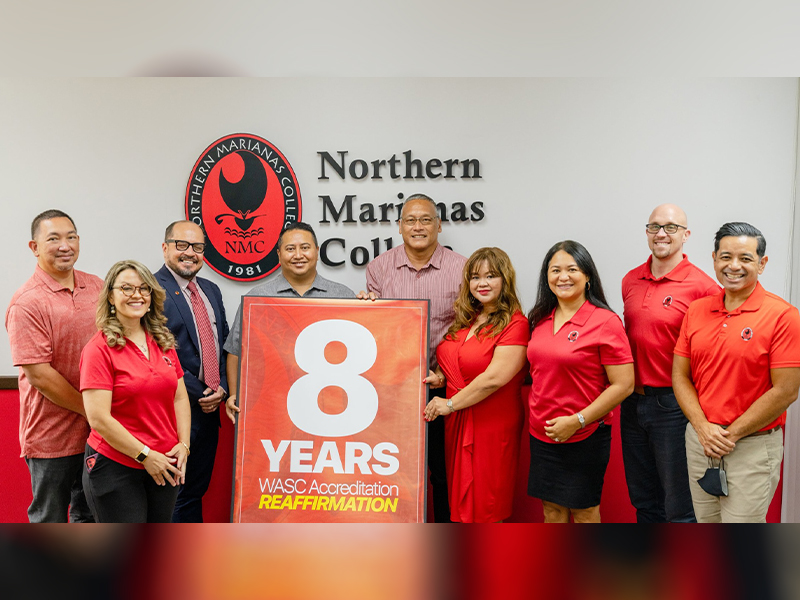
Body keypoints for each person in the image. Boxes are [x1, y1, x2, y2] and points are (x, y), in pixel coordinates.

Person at [673, 222, 800, 522]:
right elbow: (680, 376)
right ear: (714, 259)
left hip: (750, 447)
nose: (734, 266)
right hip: (700, 442)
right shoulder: (697, 310)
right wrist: (703, 428)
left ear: (762, 263)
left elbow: (786, 390)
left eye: (745, 258)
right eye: (726, 256)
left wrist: (731, 434)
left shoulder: (783, 316)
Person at [359, 193, 466, 523]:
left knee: (444, 475)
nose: (417, 227)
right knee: (396, 473)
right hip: (393, 390)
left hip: (445, 388)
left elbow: (471, 328)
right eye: (410, 220)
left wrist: (445, 374)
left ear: (439, 225)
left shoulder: (462, 268)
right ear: (400, 227)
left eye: (425, 220)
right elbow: (375, 329)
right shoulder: (379, 268)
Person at [620, 204, 720, 523]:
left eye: (671, 227)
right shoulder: (630, 279)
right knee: (644, 501)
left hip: (673, 408)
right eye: (655, 227)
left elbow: (714, 353)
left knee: (679, 506)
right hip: (632, 404)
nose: (661, 233)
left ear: (686, 235)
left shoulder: (703, 288)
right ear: (647, 232)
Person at [5, 209, 103, 523]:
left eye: (71, 237)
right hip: (51, 436)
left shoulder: (97, 287)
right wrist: (91, 410)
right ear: (34, 247)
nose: (65, 245)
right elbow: (39, 375)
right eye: (54, 239)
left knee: (91, 516)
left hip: (100, 434)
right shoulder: (27, 302)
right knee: (50, 519)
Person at [527, 240, 634, 523]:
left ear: (587, 276)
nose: (563, 277)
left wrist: (577, 420)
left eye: (572, 269)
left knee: (584, 511)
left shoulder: (605, 321)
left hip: (585, 433)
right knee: (552, 510)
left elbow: (624, 384)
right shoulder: (539, 319)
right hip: (543, 434)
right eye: (555, 270)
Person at [80, 260, 192, 522]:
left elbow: (179, 396)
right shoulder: (98, 350)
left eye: (144, 288)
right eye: (126, 288)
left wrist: (184, 445)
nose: (136, 295)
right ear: (110, 296)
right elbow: (98, 418)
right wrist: (144, 455)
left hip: (165, 464)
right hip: (117, 465)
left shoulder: (162, 340)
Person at [423, 247, 529, 522]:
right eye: (475, 277)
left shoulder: (516, 324)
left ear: (505, 280)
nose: (482, 283)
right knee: (455, 501)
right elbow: (461, 362)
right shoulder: (467, 320)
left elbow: (493, 378)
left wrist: (449, 404)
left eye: (491, 276)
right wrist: (442, 377)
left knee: (485, 504)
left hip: (490, 423)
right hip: (455, 420)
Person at [224, 222, 355, 421]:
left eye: (305, 247)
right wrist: (234, 394)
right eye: (290, 249)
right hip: (272, 406)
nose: (298, 255)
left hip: (331, 405)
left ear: (317, 251)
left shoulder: (344, 296)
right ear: (278, 254)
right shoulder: (257, 298)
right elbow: (235, 352)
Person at [155, 220, 229, 523]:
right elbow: (157, 354)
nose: (190, 253)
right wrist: (203, 393)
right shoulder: (151, 290)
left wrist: (222, 386)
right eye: (181, 245)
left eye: (197, 247)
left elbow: (222, 342)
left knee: (194, 491)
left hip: (210, 414)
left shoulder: (211, 290)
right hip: (172, 413)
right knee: (173, 496)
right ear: (165, 248)